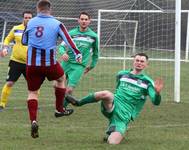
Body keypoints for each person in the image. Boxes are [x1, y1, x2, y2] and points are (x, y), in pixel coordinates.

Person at [66, 53, 164, 145]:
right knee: (106, 94)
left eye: (142, 61)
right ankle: (78, 102)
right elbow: (117, 90)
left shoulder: (148, 82)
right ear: (133, 61)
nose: (139, 63)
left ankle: (114, 130)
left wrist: (158, 93)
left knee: (112, 143)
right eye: (137, 60)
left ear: (147, 64)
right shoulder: (122, 74)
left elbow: (156, 102)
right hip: (112, 105)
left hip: (124, 115)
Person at [22, 0, 82, 138]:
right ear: (50, 9)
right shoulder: (56, 23)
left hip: (32, 65)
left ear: (38, 9)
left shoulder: (30, 22)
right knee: (61, 79)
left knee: (32, 92)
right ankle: (59, 109)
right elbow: (68, 39)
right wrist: (77, 53)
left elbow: (24, 41)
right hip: (50, 64)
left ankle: (34, 120)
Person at [58, 11, 99, 108]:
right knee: (57, 85)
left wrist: (92, 65)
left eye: (86, 19)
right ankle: (60, 103)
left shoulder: (93, 36)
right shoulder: (71, 33)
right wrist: (63, 53)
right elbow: (61, 47)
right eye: (82, 19)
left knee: (69, 90)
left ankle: (61, 108)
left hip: (79, 66)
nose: (84, 21)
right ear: (78, 20)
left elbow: (96, 53)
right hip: (66, 63)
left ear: (89, 21)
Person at [0, 11, 33, 111]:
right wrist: (5, 48)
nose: (28, 19)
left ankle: (32, 104)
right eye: (26, 17)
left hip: (30, 63)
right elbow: (7, 39)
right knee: (9, 83)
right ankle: (2, 104)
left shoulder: (35, 31)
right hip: (15, 62)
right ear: (23, 18)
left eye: (29, 18)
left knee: (33, 86)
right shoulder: (16, 29)